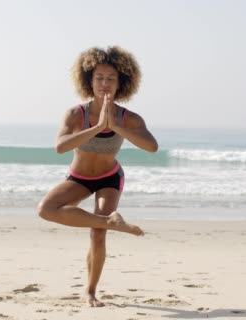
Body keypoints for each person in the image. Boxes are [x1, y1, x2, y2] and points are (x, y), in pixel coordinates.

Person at [37, 46, 158, 307]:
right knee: (46, 209)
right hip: (78, 177)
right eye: (99, 78)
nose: (105, 83)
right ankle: (111, 222)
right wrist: (97, 128)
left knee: (97, 233)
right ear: (89, 81)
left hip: (109, 178)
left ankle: (90, 291)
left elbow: (152, 147)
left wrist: (114, 126)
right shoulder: (75, 114)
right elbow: (60, 147)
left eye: (111, 78)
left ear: (121, 83)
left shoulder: (129, 118)